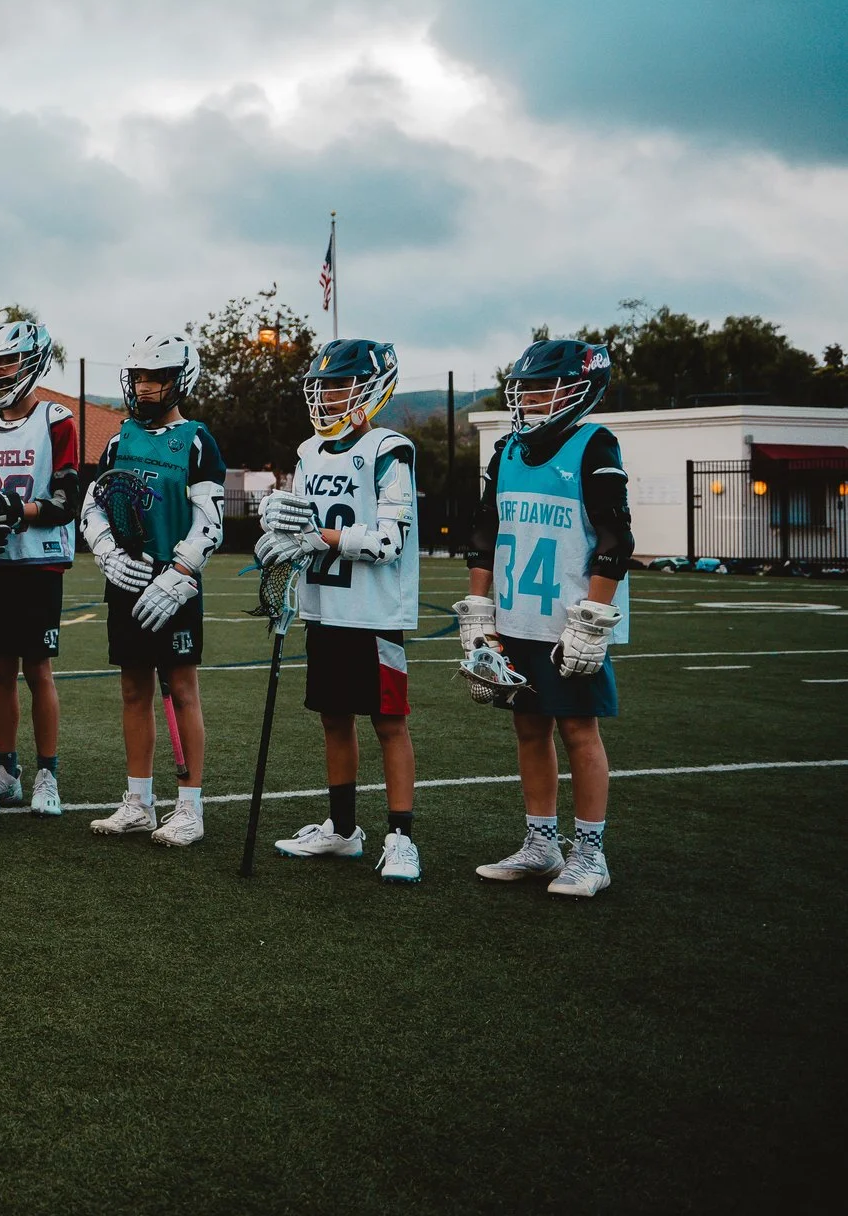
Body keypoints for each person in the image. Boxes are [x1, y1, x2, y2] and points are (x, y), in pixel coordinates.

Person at [459, 339, 631, 899]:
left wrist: (592, 619)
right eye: (525, 388)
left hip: (567, 620)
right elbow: (485, 536)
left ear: (580, 388)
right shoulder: (506, 449)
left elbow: (614, 540)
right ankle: (541, 843)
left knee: (579, 730)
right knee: (529, 728)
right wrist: (478, 612)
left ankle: (591, 853)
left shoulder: (593, 443)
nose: (529, 398)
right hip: (515, 619)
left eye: (540, 387)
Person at [258, 340, 423, 883]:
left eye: (338, 384)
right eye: (322, 385)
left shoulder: (388, 448)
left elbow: (389, 540)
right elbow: (298, 526)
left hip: (374, 613)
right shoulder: (308, 452)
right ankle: (344, 829)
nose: (327, 395)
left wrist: (318, 536)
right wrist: (277, 541)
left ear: (371, 388)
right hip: (325, 609)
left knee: (388, 723)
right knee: (333, 718)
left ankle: (401, 836)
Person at [83, 333, 226, 848]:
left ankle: (190, 807)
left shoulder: (195, 440)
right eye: (139, 378)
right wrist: (108, 554)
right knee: (133, 690)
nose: (144, 389)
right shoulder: (119, 439)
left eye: (155, 378)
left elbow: (210, 522)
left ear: (178, 380)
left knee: (182, 690)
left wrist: (180, 573)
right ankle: (139, 802)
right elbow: (93, 504)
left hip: (174, 587)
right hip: (127, 579)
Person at [0, 318, 78, 816]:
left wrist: (10, 509)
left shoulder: (56, 419)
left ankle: (48, 771)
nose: (0, 371)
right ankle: (6, 768)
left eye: (9, 360)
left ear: (33, 362)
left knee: (36, 668)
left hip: (38, 562)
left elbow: (66, 500)